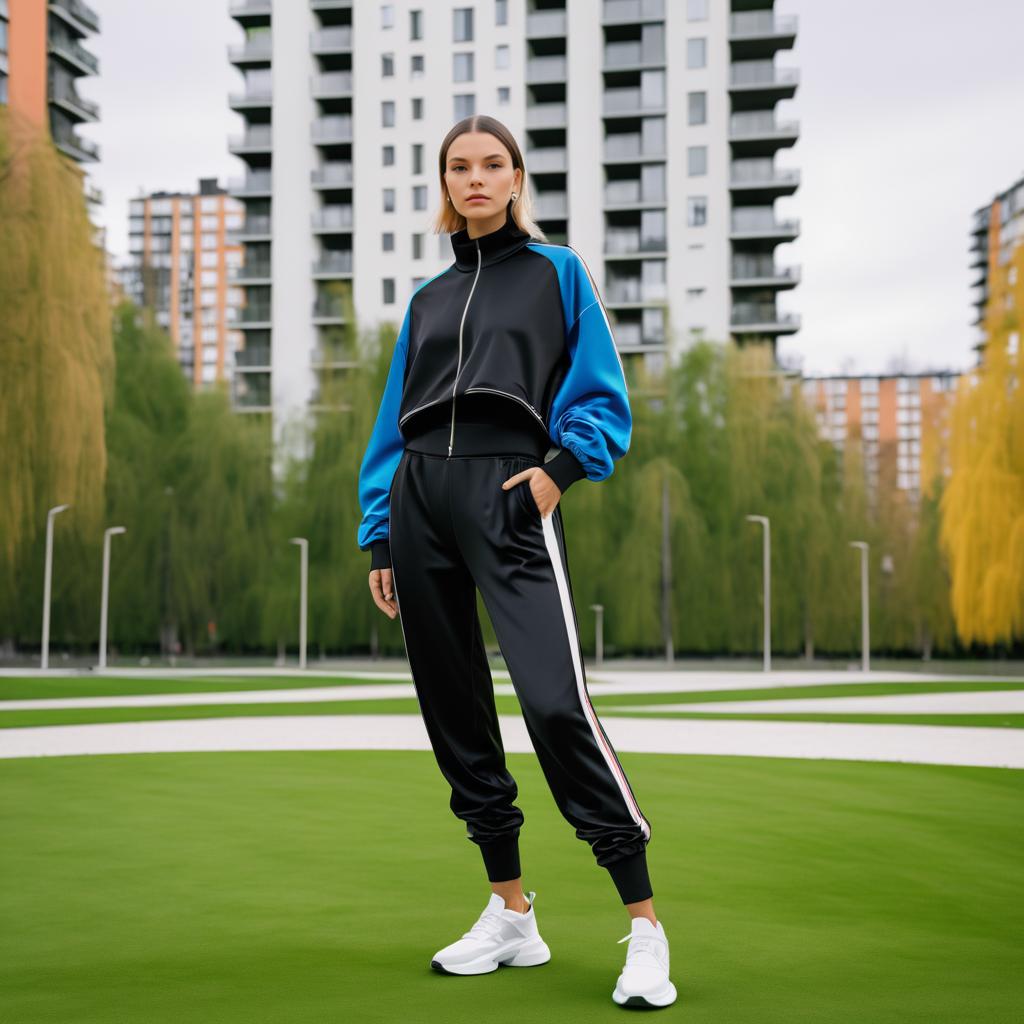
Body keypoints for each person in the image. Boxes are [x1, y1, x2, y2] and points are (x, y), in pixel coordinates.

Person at [356, 115, 677, 1010]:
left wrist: (560, 473)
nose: (476, 179)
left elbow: (602, 393)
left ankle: (645, 925)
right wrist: (380, 531)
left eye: (492, 164)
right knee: (453, 712)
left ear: (517, 177)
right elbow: (393, 423)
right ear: (445, 184)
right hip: (421, 499)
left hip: (512, 493)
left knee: (554, 704)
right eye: (460, 167)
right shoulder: (425, 300)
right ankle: (511, 913)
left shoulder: (558, 274)